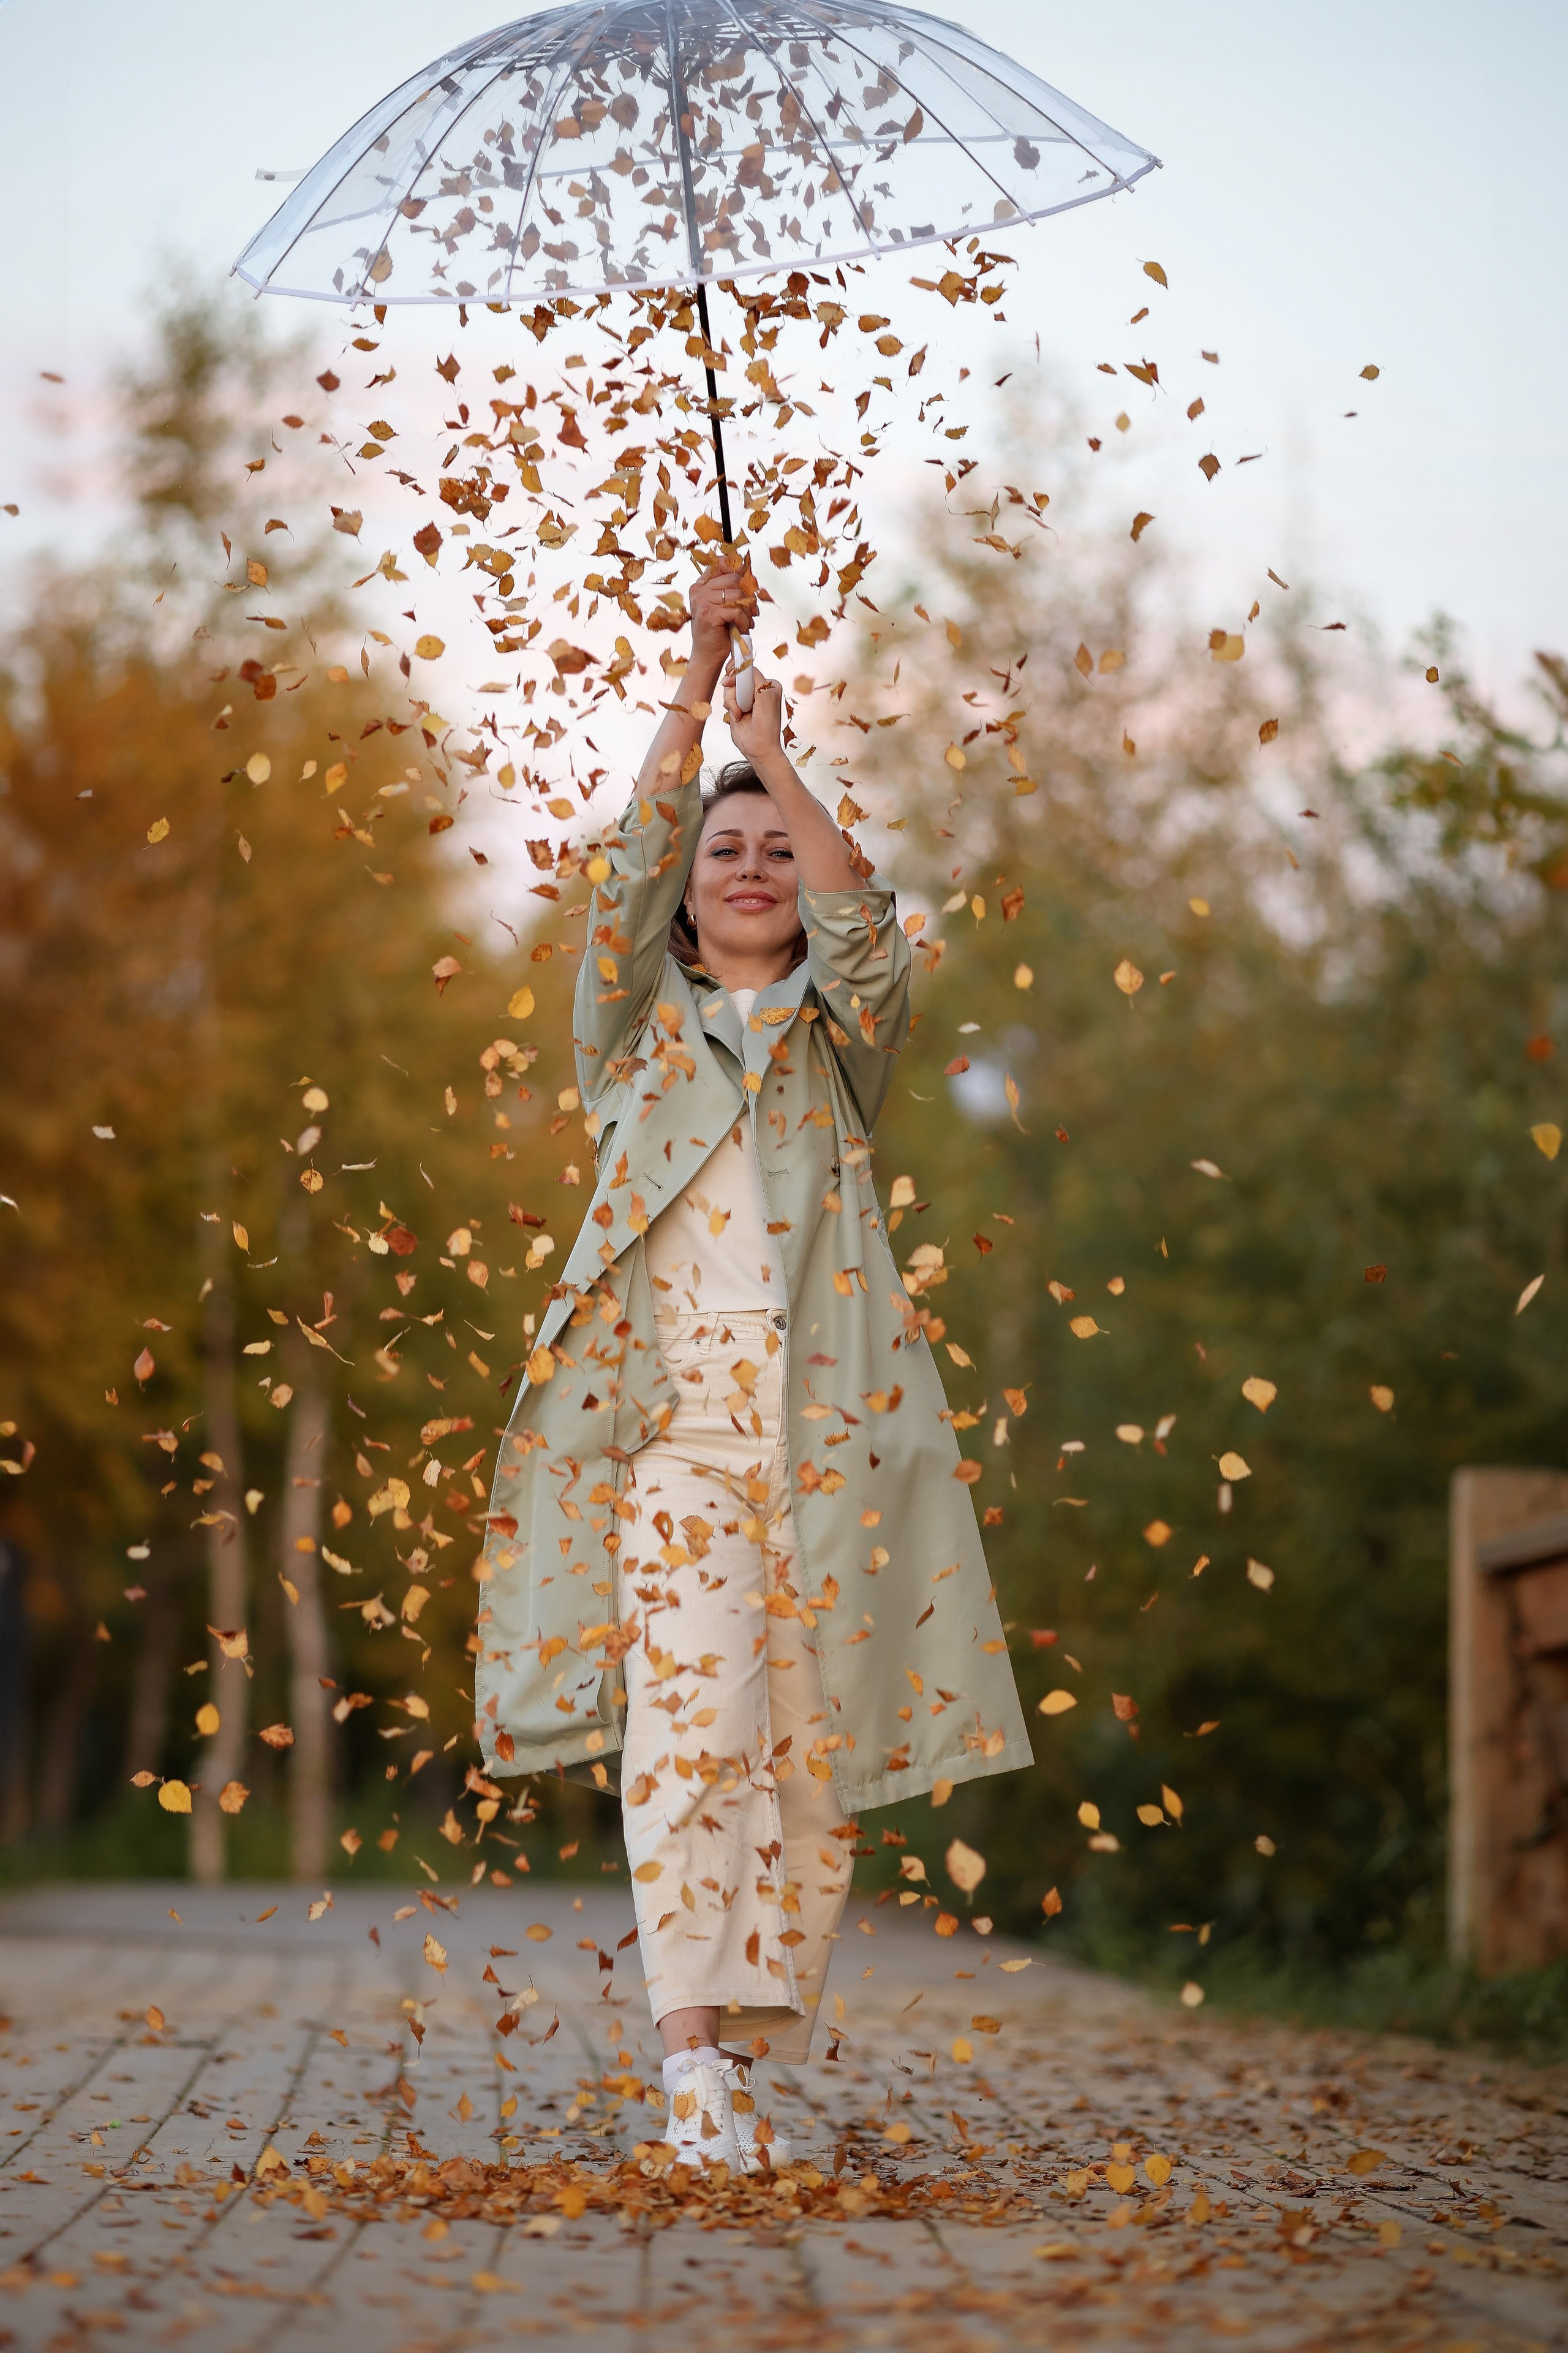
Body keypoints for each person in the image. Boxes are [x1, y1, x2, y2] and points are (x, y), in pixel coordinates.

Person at [475, 562, 1030, 2173]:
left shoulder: (846, 1045)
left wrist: (775, 751)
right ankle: (694, 2064)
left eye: (773, 847)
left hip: (829, 1446)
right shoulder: (630, 1032)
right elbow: (628, 871)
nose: (749, 865)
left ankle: (743, 2028)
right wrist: (693, 685)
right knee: (690, 1729)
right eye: (728, 847)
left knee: (807, 1747)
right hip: (672, 1446)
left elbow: (871, 931)